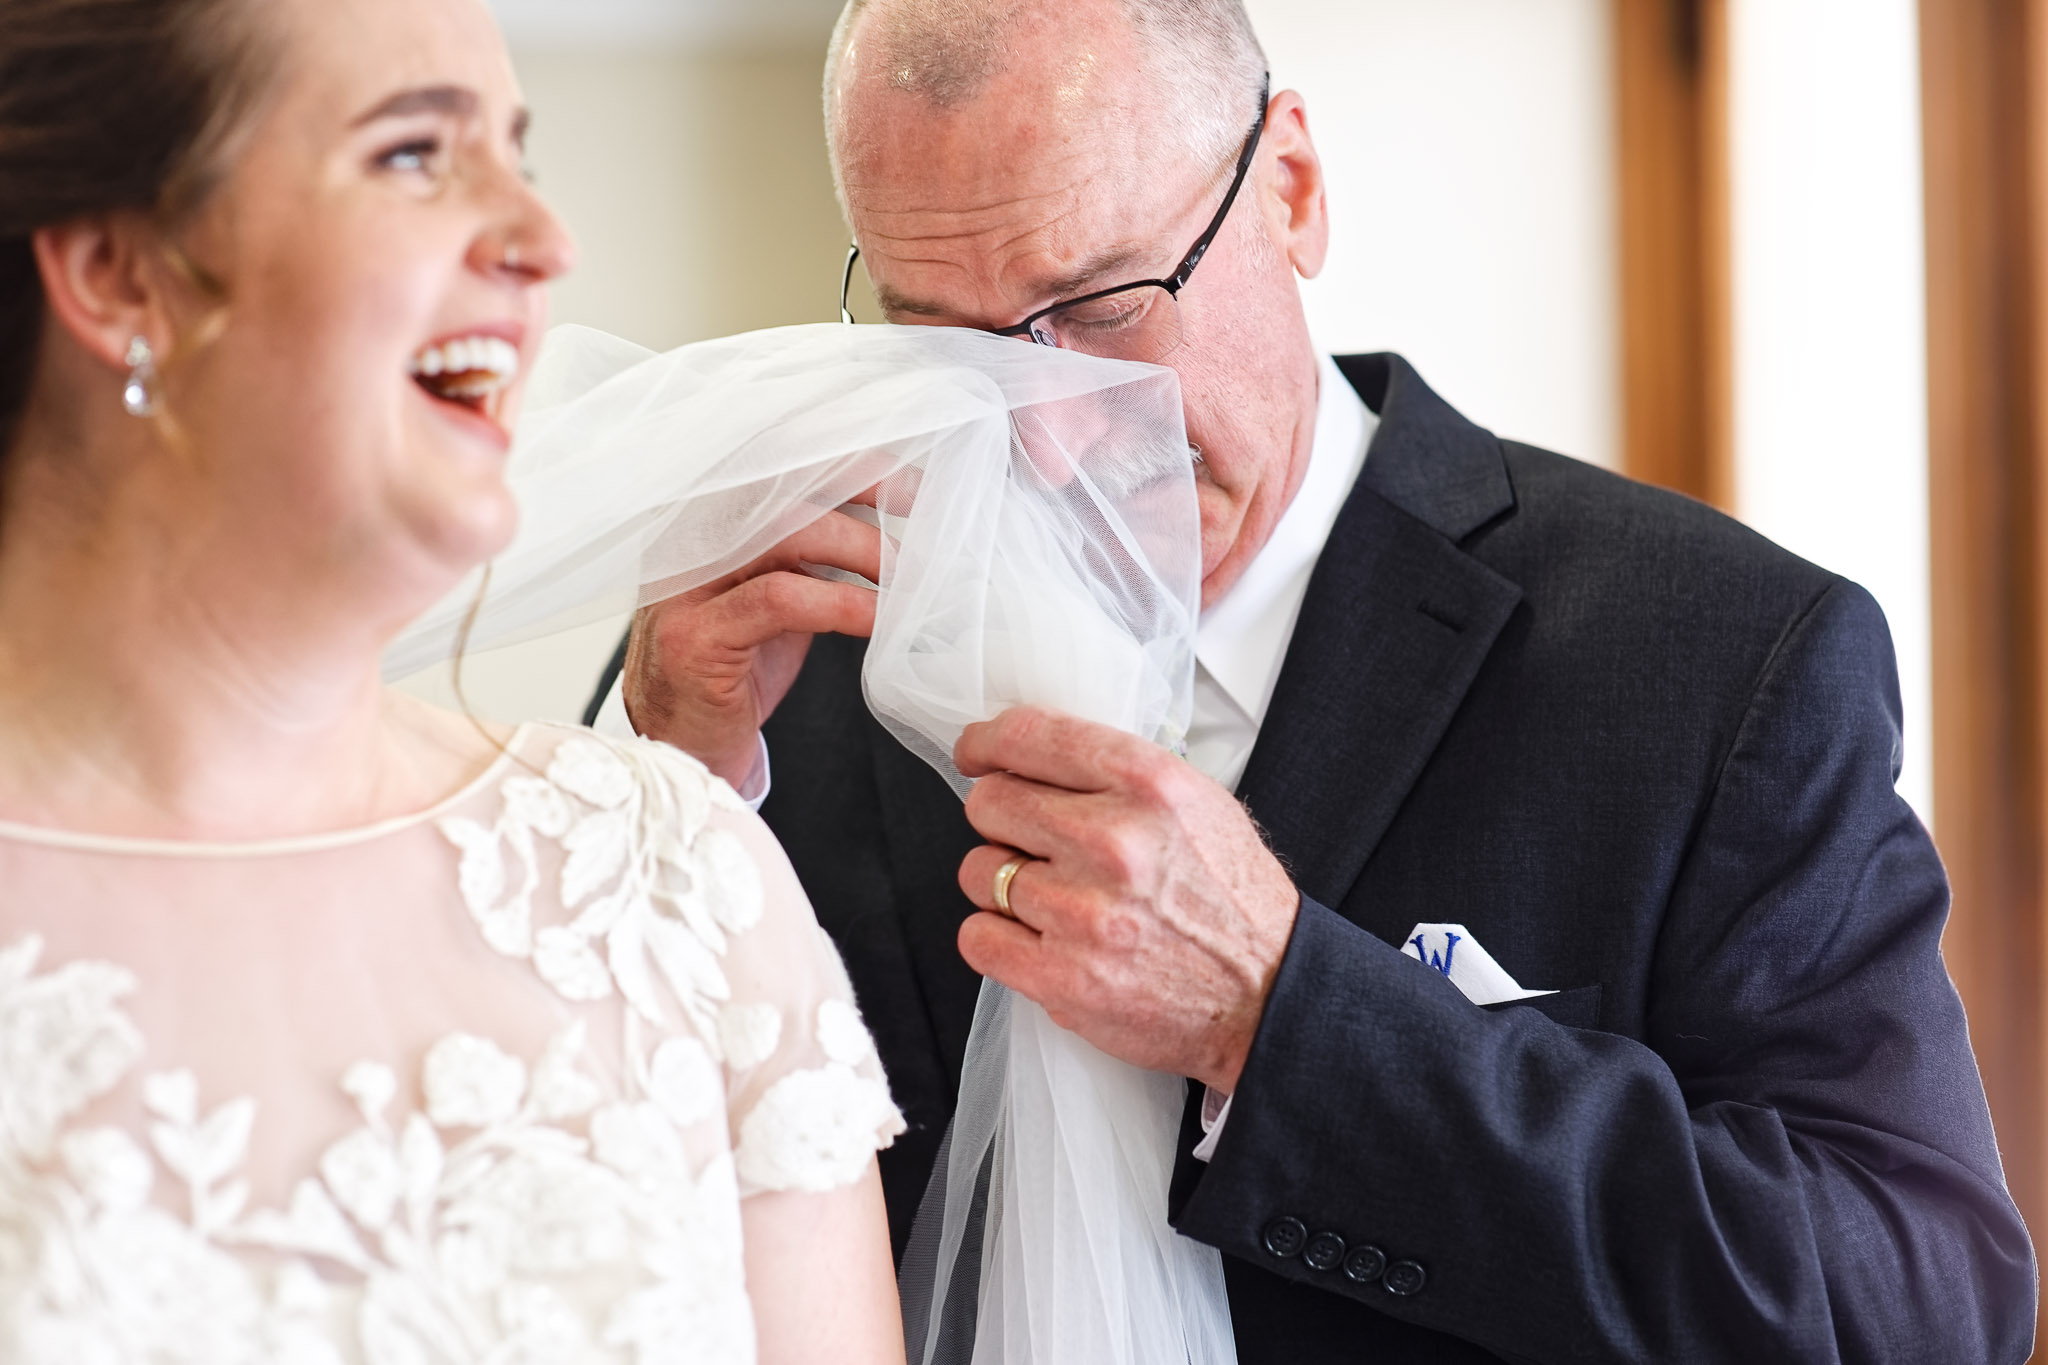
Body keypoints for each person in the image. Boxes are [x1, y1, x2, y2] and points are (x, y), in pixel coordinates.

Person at [593, 0, 2039, 1360]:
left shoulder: (1724, 658)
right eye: (945, 345)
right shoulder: (773, 664)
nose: (1043, 441)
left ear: (1290, 188)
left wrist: (1280, 1013)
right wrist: (662, 785)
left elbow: (1918, 1301)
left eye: (1103, 306)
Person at [0, 0, 905, 1361]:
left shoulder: (679, 890)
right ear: (121, 273)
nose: (544, 241)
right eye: (415, 154)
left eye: (517, 157)